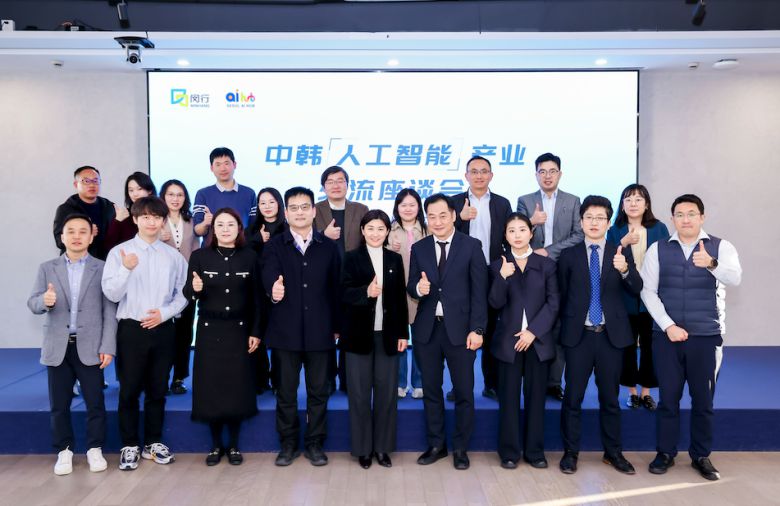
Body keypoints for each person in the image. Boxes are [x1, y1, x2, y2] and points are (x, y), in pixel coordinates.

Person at [640, 194, 742, 481]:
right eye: (680, 214)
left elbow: (735, 278)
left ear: (702, 217)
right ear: (672, 219)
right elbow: (648, 291)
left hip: (706, 338)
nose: (686, 219)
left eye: (691, 214)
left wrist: (712, 263)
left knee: (703, 401)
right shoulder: (658, 249)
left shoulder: (721, 247)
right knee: (668, 399)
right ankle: (665, 453)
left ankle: (701, 455)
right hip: (666, 338)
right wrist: (668, 325)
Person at [557, 195, 642, 476]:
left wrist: (625, 269)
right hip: (578, 336)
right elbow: (561, 295)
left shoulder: (620, 253)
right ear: (581, 221)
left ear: (608, 222)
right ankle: (571, 453)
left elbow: (636, 288)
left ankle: (613, 452)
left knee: (610, 398)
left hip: (610, 337)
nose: (594, 223)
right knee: (573, 397)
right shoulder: (568, 255)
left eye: (600, 218)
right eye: (589, 217)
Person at [101, 196, 188, 471]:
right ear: (135, 219)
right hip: (131, 329)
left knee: (158, 388)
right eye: (145, 217)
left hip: (163, 328)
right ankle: (129, 444)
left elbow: (183, 294)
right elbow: (111, 293)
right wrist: (126, 269)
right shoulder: (119, 253)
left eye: (157, 217)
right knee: (128, 389)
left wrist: (164, 313)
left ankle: (153, 442)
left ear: (163, 221)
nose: (151, 222)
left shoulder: (173, 257)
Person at [28, 214, 117, 476]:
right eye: (71, 231)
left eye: (82, 231)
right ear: (62, 237)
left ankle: (94, 449)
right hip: (58, 346)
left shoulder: (102, 268)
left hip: (90, 346)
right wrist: (44, 301)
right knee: (59, 404)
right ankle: (64, 450)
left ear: (91, 237)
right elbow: (33, 303)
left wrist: (108, 346)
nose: (76, 236)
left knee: (95, 403)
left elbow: (109, 311)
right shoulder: (47, 268)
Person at [262, 187, 342, 467]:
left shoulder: (328, 247)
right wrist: (273, 290)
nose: (299, 212)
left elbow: (336, 289)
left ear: (314, 211)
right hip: (285, 332)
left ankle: (315, 443)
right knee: (285, 392)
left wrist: (337, 326)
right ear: (286, 213)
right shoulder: (274, 246)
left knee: (319, 392)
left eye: (305, 207)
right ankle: (288, 444)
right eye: (293, 208)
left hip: (321, 331)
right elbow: (267, 276)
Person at [407, 193, 488, 471]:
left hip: (462, 332)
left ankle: (461, 448)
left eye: (443, 215)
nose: (438, 221)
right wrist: (419, 289)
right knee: (431, 390)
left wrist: (478, 329)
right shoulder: (419, 248)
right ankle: (437, 445)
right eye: (432, 217)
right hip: (428, 331)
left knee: (464, 391)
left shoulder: (471, 246)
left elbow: (479, 292)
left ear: (454, 216)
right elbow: (411, 285)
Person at [184, 208, 261, 466]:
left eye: (230, 224)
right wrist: (194, 289)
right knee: (212, 387)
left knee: (236, 387)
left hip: (239, 331)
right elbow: (188, 294)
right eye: (220, 225)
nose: (225, 229)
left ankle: (234, 445)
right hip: (210, 331)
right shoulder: (200, 256)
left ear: (239, 228)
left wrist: (256, 331)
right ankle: (216, 445)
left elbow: (257, 300)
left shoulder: (250, 257)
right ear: (213, 229)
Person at [489, 213, 559, 470]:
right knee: (508, 400)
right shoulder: (498, 265)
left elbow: (554, 303)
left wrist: (533, 332)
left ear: (531, 233)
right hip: (508, 344)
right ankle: (509, 452)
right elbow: (494, 303)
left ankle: (534, 451)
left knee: (536, 399)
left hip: (537, 342)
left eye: (522, 229)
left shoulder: (546, 264)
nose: (517, 235)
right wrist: (502, 277)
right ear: (505, 236)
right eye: (511, 230)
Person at [341, 210, 409, 469]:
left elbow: (400, 300)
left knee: (386, 395)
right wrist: (365, 292)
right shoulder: (351, 258)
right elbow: (342, 293)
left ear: (387, 231)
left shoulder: (394, 259)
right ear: (362, 230)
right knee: (359, 395)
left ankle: (382, 448)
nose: (375, 233)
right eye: (370, 228)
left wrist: (403, 333)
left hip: (388, 335)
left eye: (381, 228)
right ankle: (363, 450)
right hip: (358, 335)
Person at [516, 152, 584, 401]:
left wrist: (549, 251)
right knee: (534, 322)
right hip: (532, 271)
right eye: (542, 171)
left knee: (558, 325)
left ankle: (554, 382)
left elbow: (579, 234)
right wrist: (532, 222)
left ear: (560, 174)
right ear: (536, 174)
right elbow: (515, 231)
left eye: (552, 171)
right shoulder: (525, 200)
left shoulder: (573, 201)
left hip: (563, 268)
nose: (547, 176)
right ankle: (532, 379)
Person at [452, 155, 512, 401]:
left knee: (491, 329)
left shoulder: (502, 203)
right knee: (460, 329)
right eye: (474, 171)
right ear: (466, 176)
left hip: (492, 272)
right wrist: (459, 218)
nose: (479, 175)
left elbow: (509, 236)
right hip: (460, 273)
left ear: (491, 175)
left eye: (484, 171)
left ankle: (491, 383)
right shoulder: (454, 202)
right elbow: (441, 231)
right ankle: (460, 386)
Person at [606, 184, 669, 410]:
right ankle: (632, 391)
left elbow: (667, 260)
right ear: (622, 205)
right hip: (625, 297)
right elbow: (607, 260)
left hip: (652, 297)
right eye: (628, 199)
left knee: (651, 346)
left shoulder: (659, 228)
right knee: (628, 346)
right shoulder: (615, 230)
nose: (633, 204)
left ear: (647, 204)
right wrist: (622, 243)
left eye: (638, 199)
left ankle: (646, 392)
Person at [314, 165, 369, 394]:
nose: (335, 185)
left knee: (350, 330)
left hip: (352, 280)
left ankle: (348, 380)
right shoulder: (314, 209)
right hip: (323, 279)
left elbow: (369, 238)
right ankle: (327, 380)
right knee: (325, 330)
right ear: (323, 186)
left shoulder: (361, 209)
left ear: (348, 184)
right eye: (330, 181)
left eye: (340, 180)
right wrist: (322, 235)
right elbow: (302, 237)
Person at [159, 179, 200, 395]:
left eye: (180, 195)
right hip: (161, 284)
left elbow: (195, 250)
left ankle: (178, 377)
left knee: (184, 332)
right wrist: (157, 237)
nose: (175, 199)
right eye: (171, 194)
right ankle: (161, 376)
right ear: (163, 196)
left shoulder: (190, 220)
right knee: (164, 333)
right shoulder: (156, 220)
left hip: (186, 284)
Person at [245, 187, 287, 393]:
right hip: (254, 290)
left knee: (280, 338)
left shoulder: (288, 228)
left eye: (271, 202)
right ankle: (260, 380)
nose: (267, 206)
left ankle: (279, 381)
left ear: (279, 203)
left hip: (281, 290)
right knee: (256, 334)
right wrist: (257, 240)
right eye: (262, 203)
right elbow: (243, 255)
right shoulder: (251, 229)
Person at [388, 188, 426, 399]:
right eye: (403, 205)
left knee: (421, 340)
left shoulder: (428, 229)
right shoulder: (389, 230)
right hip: (396, 293)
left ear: (419, 207)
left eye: (412, 204)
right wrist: (388, 247)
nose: (408, 209)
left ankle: (419, 382)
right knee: (399, 340)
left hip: (421, 292)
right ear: (397, 207)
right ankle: (400, 383)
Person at [53, 166, 116, 260]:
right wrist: (85, 234)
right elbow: (59, 242)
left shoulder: (109, 206)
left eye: (95, 181)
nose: (92, 185)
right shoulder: (65, 209)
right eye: (86, 181)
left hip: (105, 262)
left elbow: (114, 237)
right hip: (76, 262)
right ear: (76, 184)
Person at [193, 147, 257, 237]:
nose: (223, 169)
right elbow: (197, 231)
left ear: (234, 165)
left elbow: (254, 228)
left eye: (226, 163)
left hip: (242, 245)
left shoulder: (249, 193)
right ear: (211, 168)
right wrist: (205, 223)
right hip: (212, 246)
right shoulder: (202, 194)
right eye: (218, 164)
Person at [104, 171, 157, 253]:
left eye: (139, 189)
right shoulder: (124, 215)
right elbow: (107, 247)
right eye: (131, 190)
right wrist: (117, 221)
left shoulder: (159, 213)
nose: (135, 194)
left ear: (149, 190)